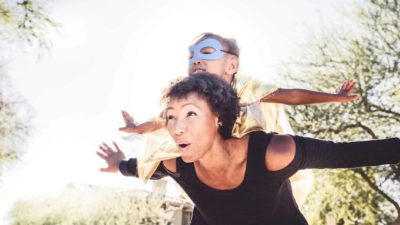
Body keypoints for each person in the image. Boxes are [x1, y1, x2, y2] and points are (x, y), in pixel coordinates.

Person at [98, 73, 400, 225]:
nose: (176, 127)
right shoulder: (179, 164)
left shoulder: (271, 152)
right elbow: (143, 169)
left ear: (218, 118)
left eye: (190, 113)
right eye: (171, 116)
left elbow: (348, 154)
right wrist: (119, 163)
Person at [118, 33, 360, 206]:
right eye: (191, 56)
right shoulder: (189, 93)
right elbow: (162, 120)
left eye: (207, 53)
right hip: (217, 158)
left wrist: (335, 97)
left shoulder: (244, 85)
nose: (196, 60)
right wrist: (137, 128)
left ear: (231, 65)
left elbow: (290, 96)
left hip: (251, 152)